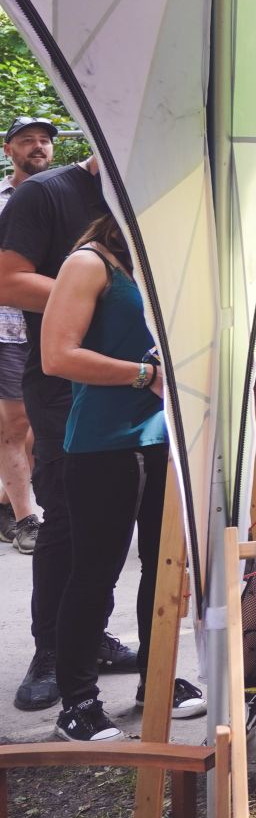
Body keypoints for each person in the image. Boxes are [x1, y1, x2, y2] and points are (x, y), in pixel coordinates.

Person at [41, 213, 206, 741]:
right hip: (104, 446)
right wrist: (147, 375)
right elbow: (56, 356)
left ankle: (154, 680)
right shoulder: (90, 263)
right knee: (95, 575)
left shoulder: (164, 265)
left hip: (169, 442)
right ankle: (78, 702)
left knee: (164, 574)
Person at [0, 152, 139, 712]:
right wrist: (91, 292)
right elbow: (8, 280)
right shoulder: (46, 194)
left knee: (117, 520)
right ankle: (51, 651)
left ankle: (90, 640)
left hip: (139, 385)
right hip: (64, 382)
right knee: (67, 516)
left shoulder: (158, 190)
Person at [0, 116, 55, 555]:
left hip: (51, 323)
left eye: (44, 140)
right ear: (9, 150)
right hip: (7, 327)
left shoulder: (59, 195)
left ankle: (7, 503)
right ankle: (25, 518)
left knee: (37, 422)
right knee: (16, 423)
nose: (37, 147)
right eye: (27, 141)